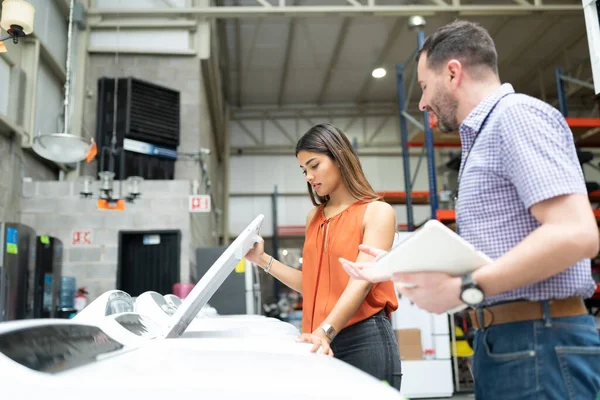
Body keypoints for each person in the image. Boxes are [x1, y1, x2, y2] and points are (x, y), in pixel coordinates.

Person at [340, 20, 600, 400]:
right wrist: (402, 265)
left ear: (452, 72)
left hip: (539, 340)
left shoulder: (515, 117)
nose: (422, 102)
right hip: (510, 342)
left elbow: (576, 234)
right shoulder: (483, 137)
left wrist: (467, 288)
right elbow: (498, 251)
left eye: (425, 86)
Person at [245, 123, 403, 390]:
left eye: (314, 165)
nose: (308, 176)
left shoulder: (377, 212)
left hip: (363, 339)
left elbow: (362, 281)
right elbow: (310, 283)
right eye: (304, 170)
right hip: (319, 341)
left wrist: (326, 331)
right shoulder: (314, 218)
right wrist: (262, 260)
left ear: (339, 157)